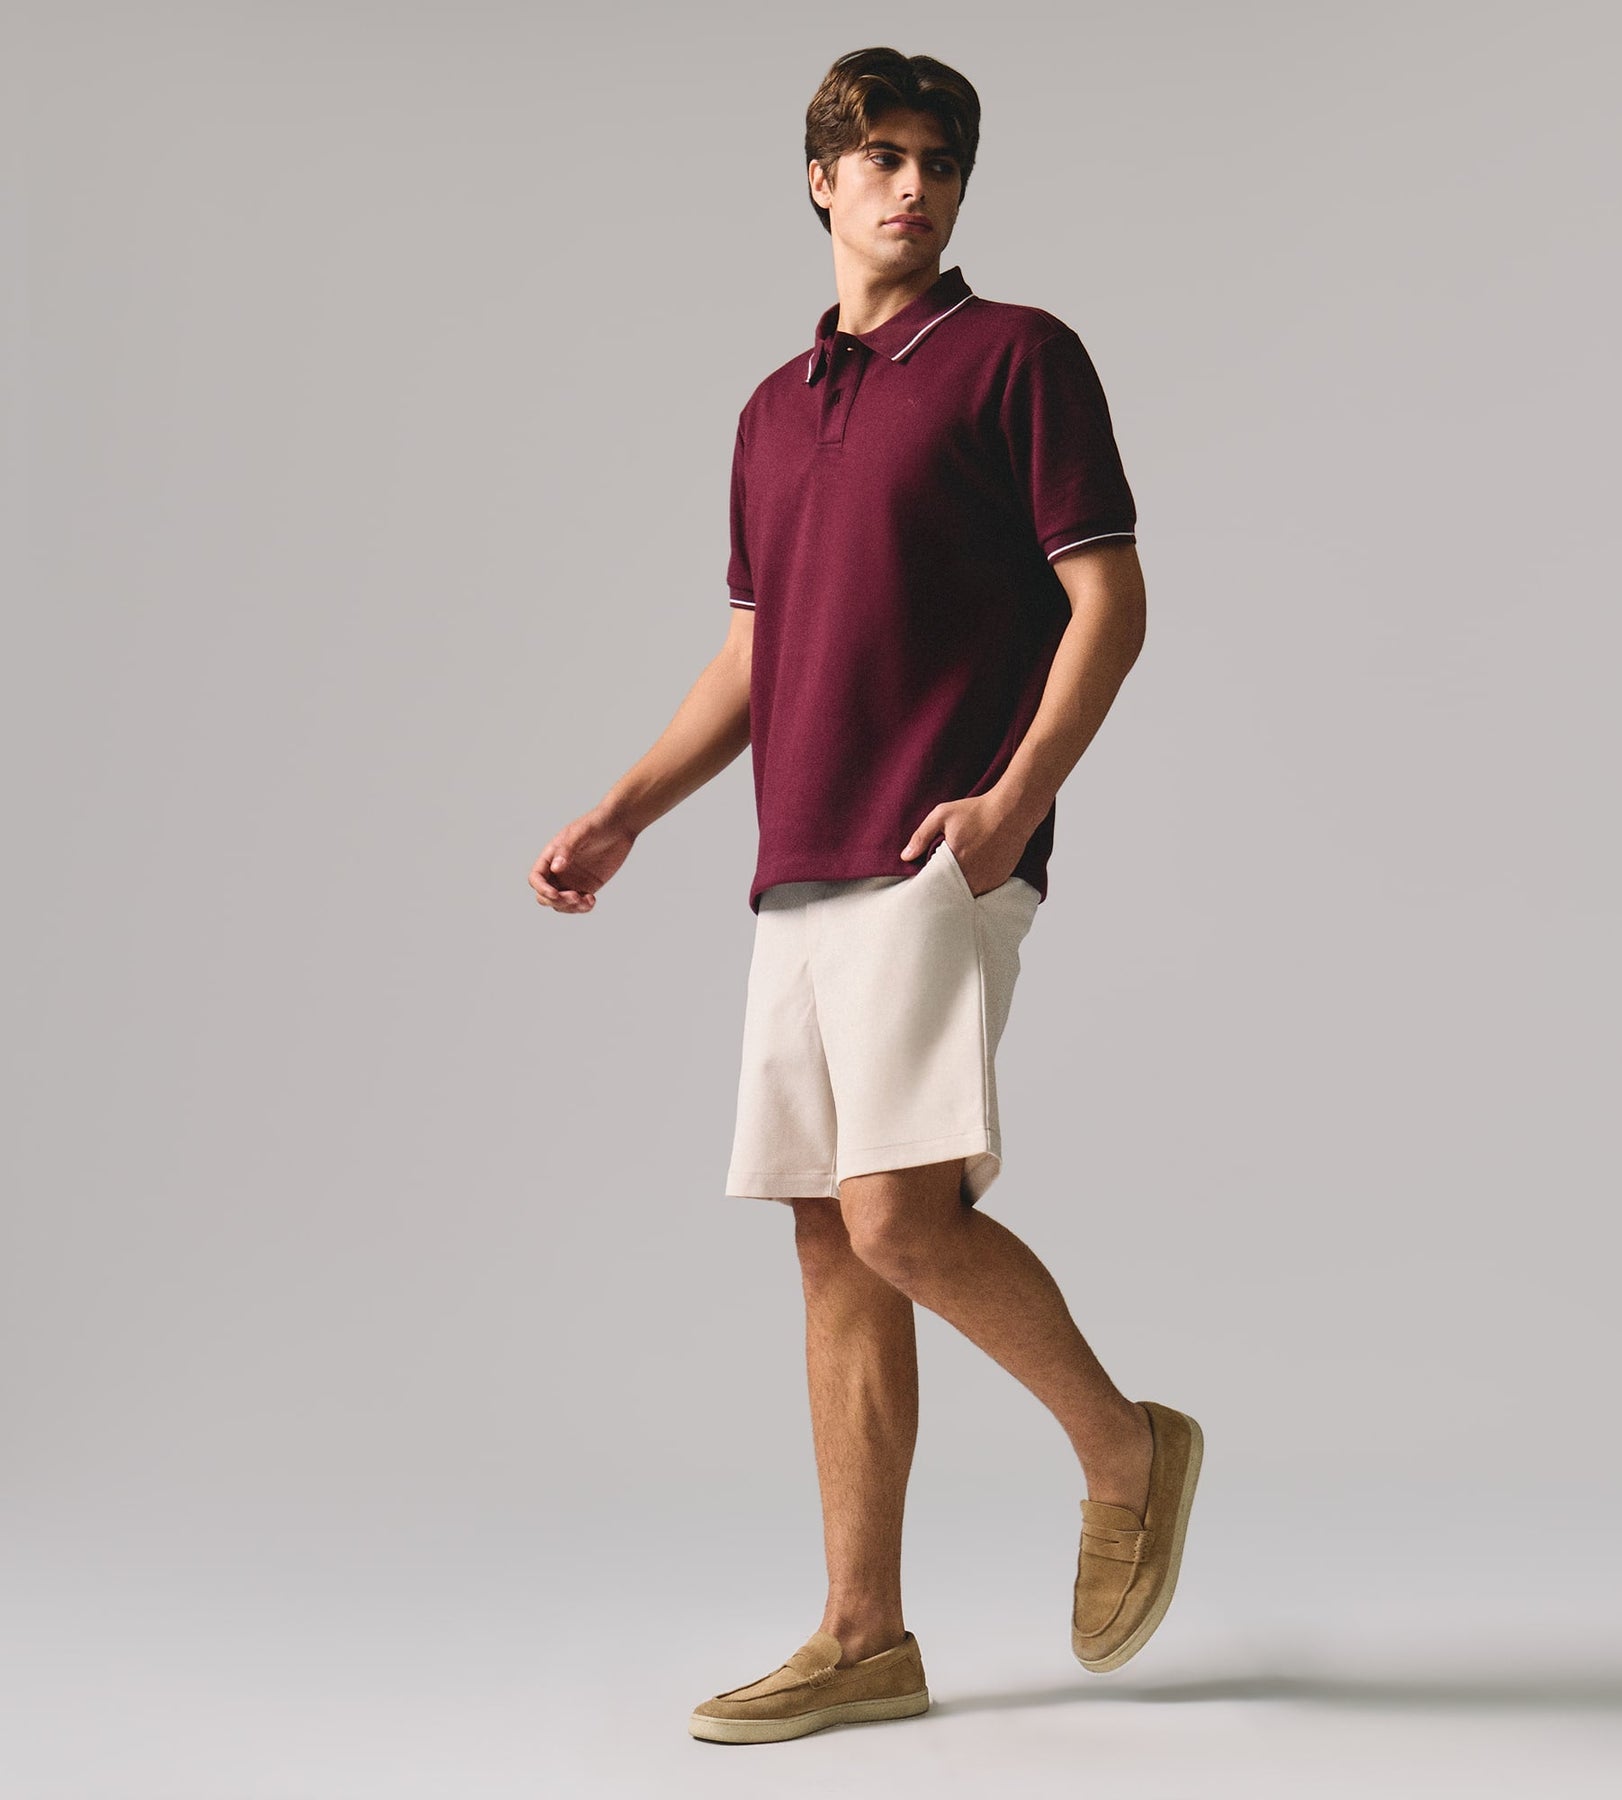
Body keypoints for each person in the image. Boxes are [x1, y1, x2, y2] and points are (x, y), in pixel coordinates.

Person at [528, 46, 1203, 1745]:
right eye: (883, 156)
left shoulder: (1017, 357)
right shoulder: (772, 409)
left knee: (902, 1215)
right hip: (796, 865)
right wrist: (625, 811)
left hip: (934, 850)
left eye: (939, 161)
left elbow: (1110, 601)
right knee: (832, 1243)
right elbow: (754, 655)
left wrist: (1014, 801)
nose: (913, 185)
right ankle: (864, 1638)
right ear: (821, 179)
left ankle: (1125, 1448)